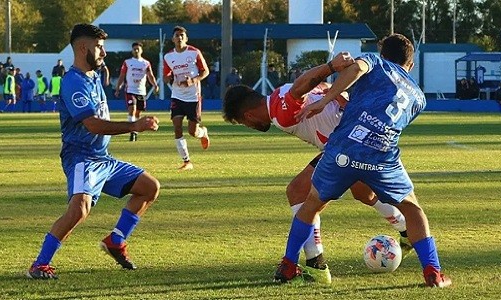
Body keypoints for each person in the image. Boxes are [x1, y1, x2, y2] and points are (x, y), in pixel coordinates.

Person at [222, 54, 413, 284]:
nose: (250, 127)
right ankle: (407, 229)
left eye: (245, 124)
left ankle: (316, 265)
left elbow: (302, 86)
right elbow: (316, 86)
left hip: (347, 144)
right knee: (363, 192)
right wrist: (336, 93)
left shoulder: (279, 111)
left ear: (248, 116)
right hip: (357, 138)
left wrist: (330, 67)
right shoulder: (278, 93)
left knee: (298, 192)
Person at [280, 34, 451, 288]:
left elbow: (358, 68)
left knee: (312, 203)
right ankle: (433, 273)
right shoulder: (419, 98)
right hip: (381, 155)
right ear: (411, 66)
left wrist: (327, 99)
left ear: (383, 55)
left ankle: (288, 266)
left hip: (344, 149)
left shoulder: (374, 62)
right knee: (412, 209)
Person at [27, 23, 161, 280]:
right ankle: (40, 264)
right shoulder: (73, 82)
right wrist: (135, 125)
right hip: (81, 158)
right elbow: (92, 124)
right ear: (82, 48)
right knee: (79, 210)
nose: (104, 52)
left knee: (149, 187)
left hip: (103, 159)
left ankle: (116, 240)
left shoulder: (93, 77)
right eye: (99, 47)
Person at [162, 26, 211, 170]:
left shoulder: (194, 52)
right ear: (173, 39)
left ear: (186, 38)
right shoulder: (168, 56)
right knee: (177, 127)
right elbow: (166, 76)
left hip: (193, 96)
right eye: (177, 35)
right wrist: (168, 78)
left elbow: (205, 71)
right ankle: (187, 161)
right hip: (177, 95)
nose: (179, 38)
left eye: (182, 35)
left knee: (192, 131)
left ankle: (203, 133)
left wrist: (193, 80)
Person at [114, 42, 159, 142]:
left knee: (138, 112)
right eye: (134, 49)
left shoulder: (145, 63)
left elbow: (150, 75)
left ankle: (135, 131)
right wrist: (118, 87)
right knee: (132, 109)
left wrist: (155, 85)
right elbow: (122, 75)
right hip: (130, 90)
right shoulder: (128, 62)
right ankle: (132, 132)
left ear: (141, 50)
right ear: (132, 50)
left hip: (141, 91)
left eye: (138, 49)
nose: (136, 51)